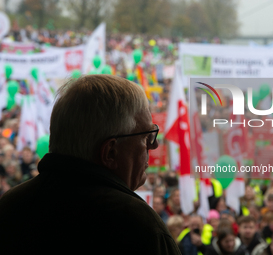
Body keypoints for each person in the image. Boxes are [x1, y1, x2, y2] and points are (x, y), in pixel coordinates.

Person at [0, 75, 181, 254]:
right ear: (110, 151)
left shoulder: (10, 206)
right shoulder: (138, 225)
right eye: (146, 136)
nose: (154, 145)